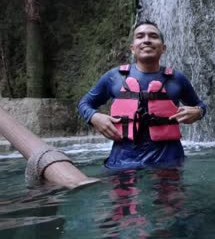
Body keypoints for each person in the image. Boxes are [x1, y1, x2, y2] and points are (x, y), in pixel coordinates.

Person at [78, 21, 206, 169]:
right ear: (132, 48)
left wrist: (199, 112)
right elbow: (84, 103)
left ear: (163, 48)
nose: (146, 40)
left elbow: (200, 105)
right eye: (140, 36)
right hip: (122, 163)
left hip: (169, 162)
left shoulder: (177, 79)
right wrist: (94, 117)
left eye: (153, 36)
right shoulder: (113, 77)